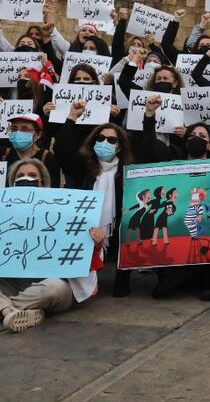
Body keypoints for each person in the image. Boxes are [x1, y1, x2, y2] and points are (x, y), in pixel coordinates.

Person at [0, 158, 105, 333]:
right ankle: (11, 312)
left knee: (54, 288)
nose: (26, 178)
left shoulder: (65, 213)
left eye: (32, 175)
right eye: (20, 175)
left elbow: (86, 265)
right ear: (12, 183)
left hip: (48, 286)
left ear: (43, 182)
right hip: (9, 283)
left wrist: (96, 242)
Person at [55, 101, 134, 297]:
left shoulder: (127, 171)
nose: (105, 142)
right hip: (86, 223)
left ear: (119, 147)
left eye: (112, 140)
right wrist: (72, 116)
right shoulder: (83, 165)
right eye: (101, 138)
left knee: (131, 228)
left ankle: (122, 279)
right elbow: (62, 149)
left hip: (118, 222)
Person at [0, 112, 61, 187]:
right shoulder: (3, 154)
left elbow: (53, 189)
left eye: (24, 129)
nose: (18, 132)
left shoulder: (47, 158)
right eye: (14, 129)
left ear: (38, 135)